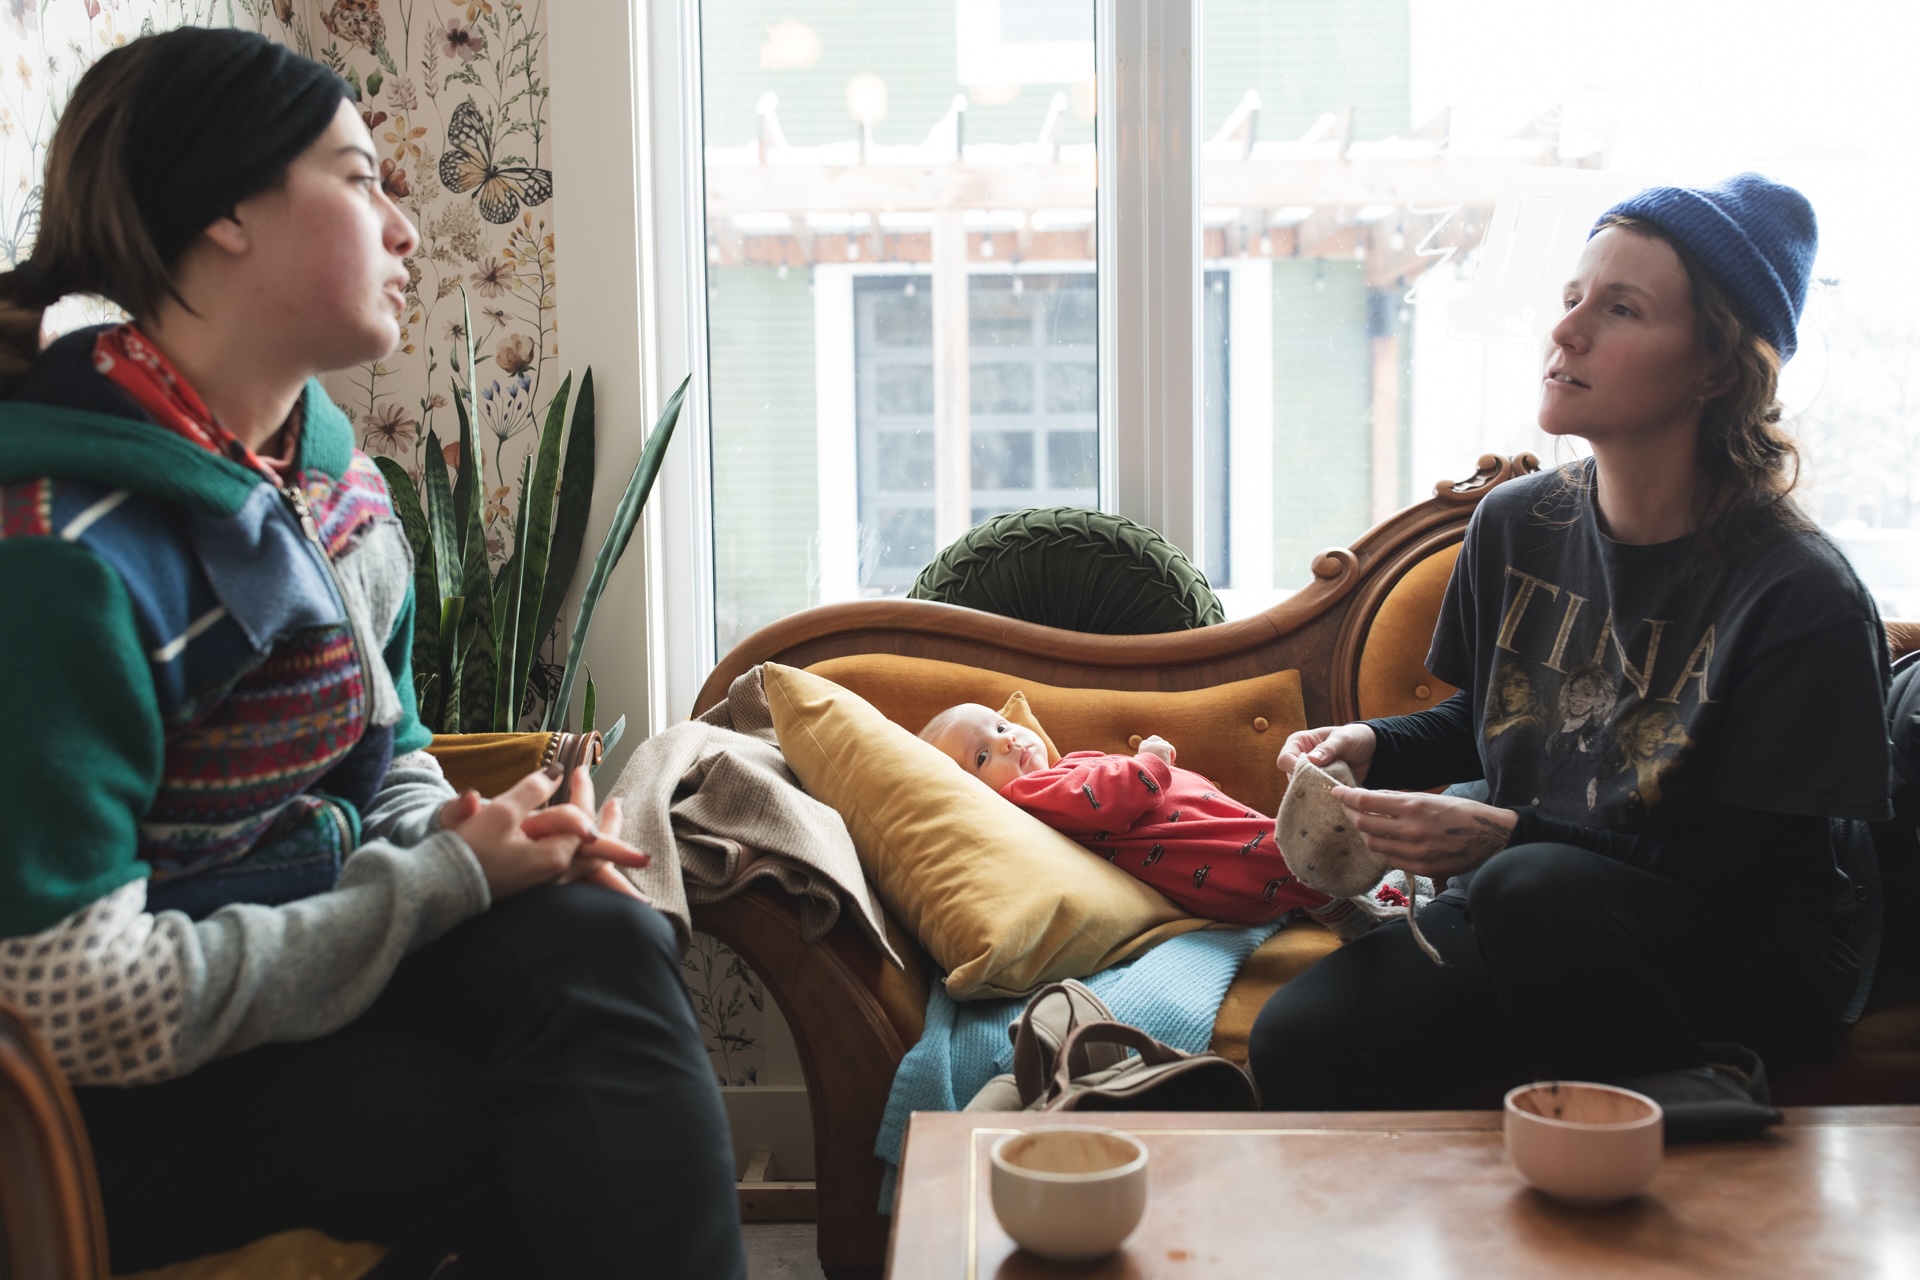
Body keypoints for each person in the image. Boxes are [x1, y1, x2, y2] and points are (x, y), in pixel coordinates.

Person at [0, 28, 745, 1278]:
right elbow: (74, 1002)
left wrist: (485, 837)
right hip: (117, 1100)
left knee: (606, 937)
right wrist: (444, 880)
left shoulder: (333, 488)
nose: (405, 231)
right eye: (359, 180)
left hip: (298, 973)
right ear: (226, 210)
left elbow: (385, 753)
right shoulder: (61, 556)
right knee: (513, 1114)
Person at [1247, 173, 1892, 1111]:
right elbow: (1495, 723)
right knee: (1298, 1040)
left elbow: (1758, 874)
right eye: (1572, 297)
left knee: (1528, 884)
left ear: (1717, 370)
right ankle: (1622, 1109)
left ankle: (1699, 1093)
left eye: (1621, 309)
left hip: (1748, 947)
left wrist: (1505, 835)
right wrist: (1372, 743)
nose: (1567, 330)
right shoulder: (1515, 525)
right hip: (1533, 903)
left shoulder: (1801, 595)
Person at [919, 702, 1384, 933]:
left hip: (1207, 823)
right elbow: (1106, 798)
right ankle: (1354, 909)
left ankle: (1354, 882)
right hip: (1197, 851)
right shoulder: (1026, 796)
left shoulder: (1059, 769)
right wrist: (1149, 760)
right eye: (983, 756)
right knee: (1284, 857)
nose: (1006, 741)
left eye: (1001, 726)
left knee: (1280, 842)